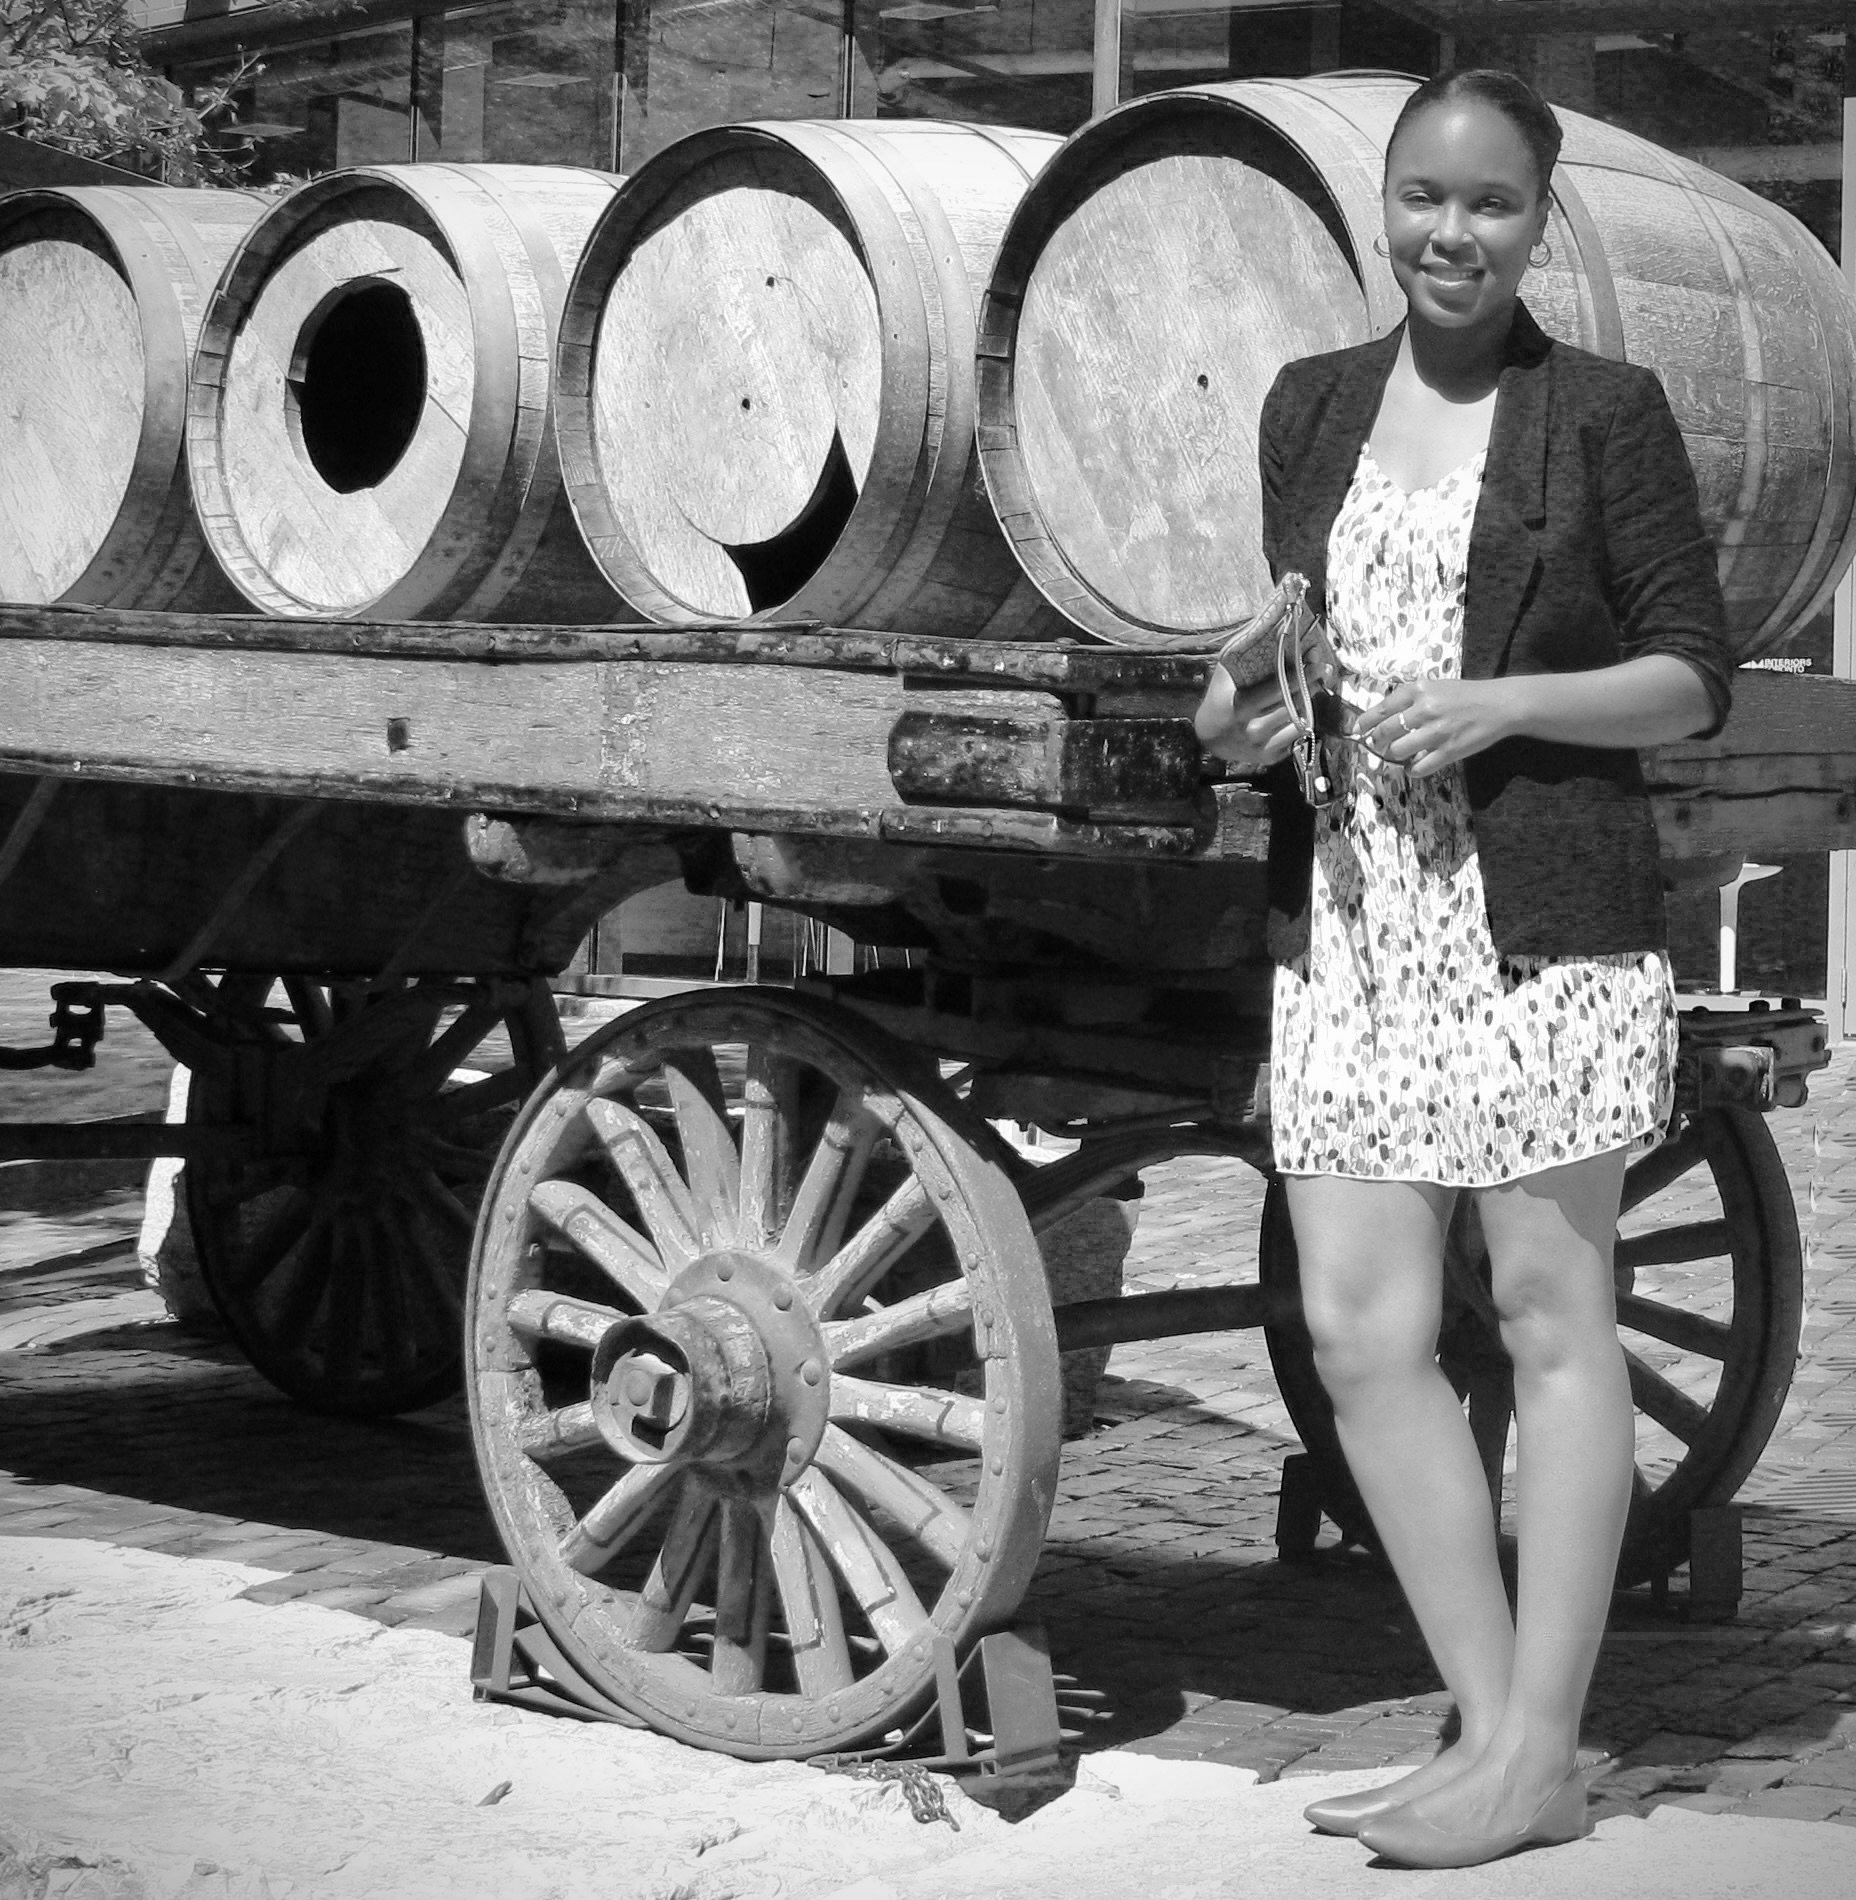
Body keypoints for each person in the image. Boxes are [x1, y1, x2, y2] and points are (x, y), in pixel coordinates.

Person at [1194, 68, 1734, 1870]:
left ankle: (1539, 1746)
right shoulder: (1312, 409)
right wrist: (1238, 704)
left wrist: (1502, 702)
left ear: (1540, 215)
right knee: (1361, 1331)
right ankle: (1496, 1729)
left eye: (1491, 203)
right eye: (1426, 197)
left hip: (1543, 928)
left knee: (1552, 1321)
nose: (1453, 234)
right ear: (1384, 204)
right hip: (1351, 927)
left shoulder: (1605, 414)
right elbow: (1266, 683)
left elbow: (1690, 675)